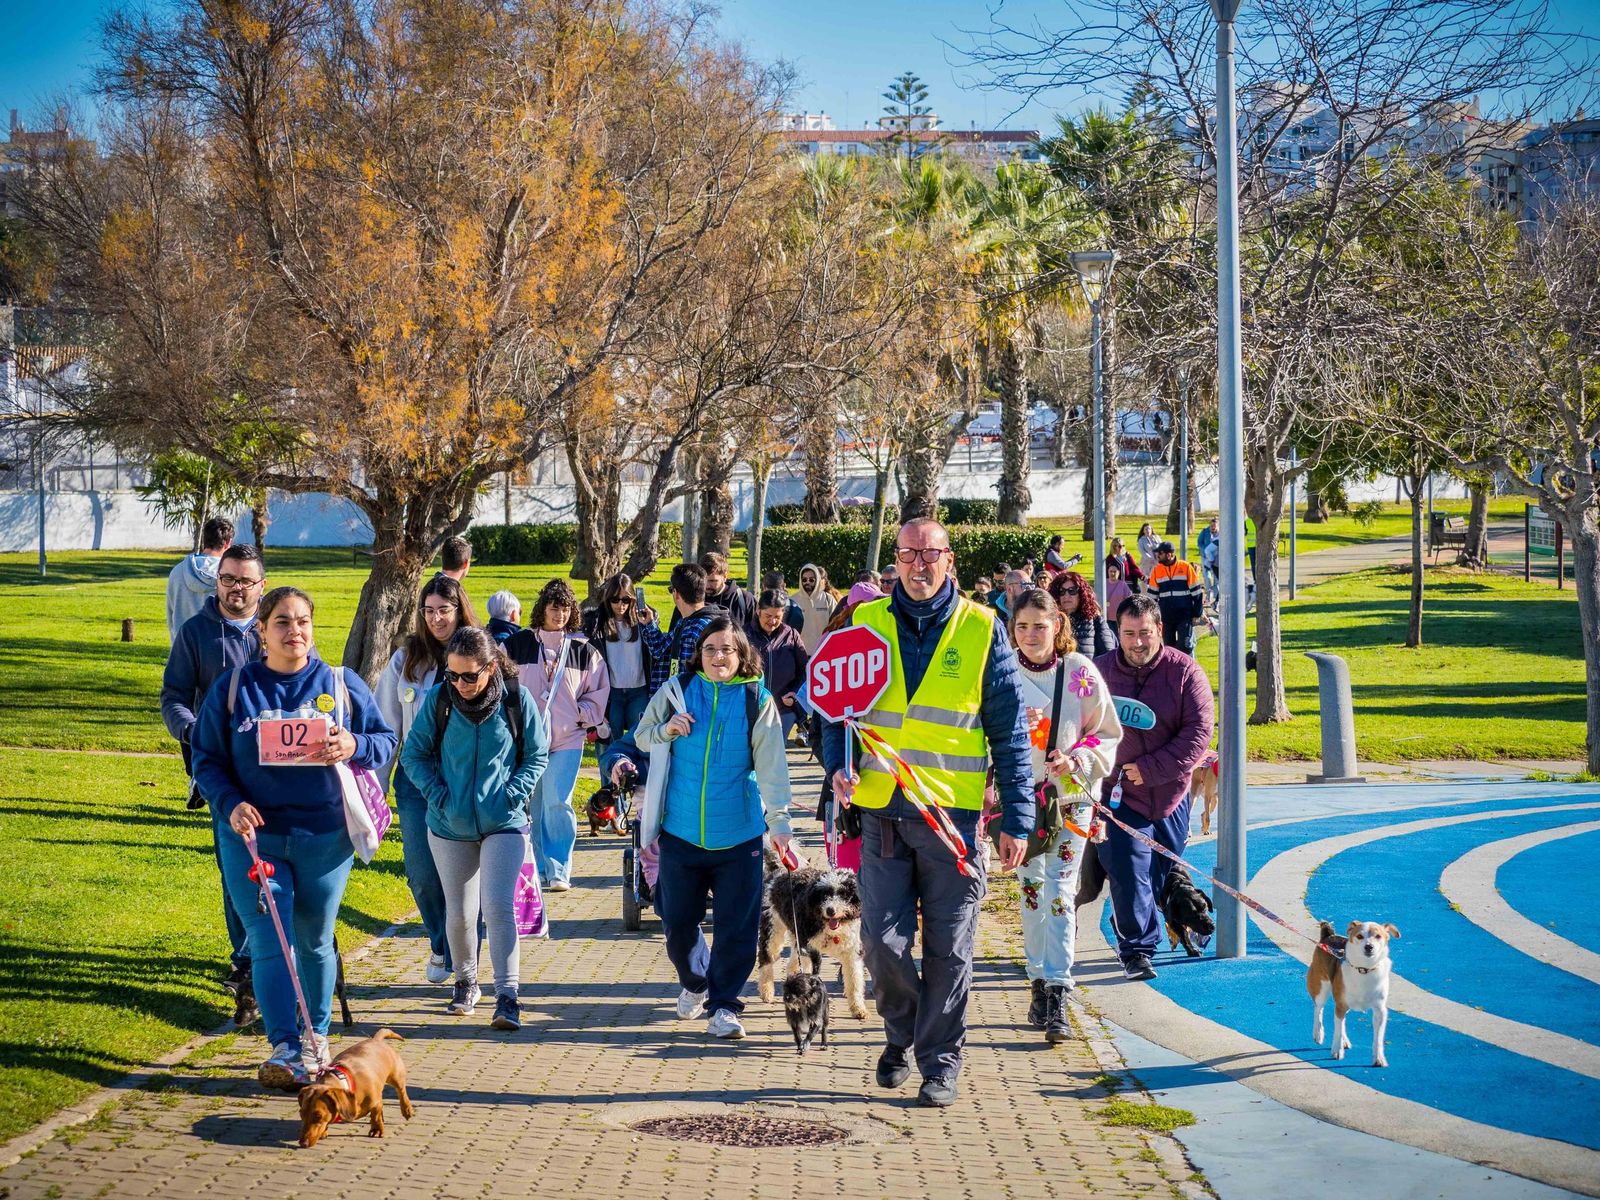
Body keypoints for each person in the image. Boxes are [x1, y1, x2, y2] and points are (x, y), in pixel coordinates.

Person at [824, 518, 1035, 1108]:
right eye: (909, 554)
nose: (920, 565)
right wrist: (834, 763)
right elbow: (830, 710)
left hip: (955, 822)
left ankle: (939, 1063)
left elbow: (1009, 732)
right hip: (882, 816)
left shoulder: (982, 627)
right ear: (896, 560)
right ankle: (905, 1033)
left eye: (931, 554)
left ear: (950, 561)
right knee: (881, 944)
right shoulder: (864, 623)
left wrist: (1018, 817)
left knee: (950, 948)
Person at [192, 586, 397, 1089]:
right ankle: (284, 1047)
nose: (294, 631)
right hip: (255, 838)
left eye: (303, 621)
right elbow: (207, 759)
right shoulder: (235, 687)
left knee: (314, 940)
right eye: (282, 622)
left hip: (325, 838)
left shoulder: (339, 683)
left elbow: (385, 740)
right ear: (261, 630)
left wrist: (351, 743)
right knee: (268, 941)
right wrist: (230, 803)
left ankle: (316, 1037)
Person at [635, 616, 794, 1040]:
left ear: (742, 655)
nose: (718, 656)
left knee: (736, 928)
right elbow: (641, 736)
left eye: (726, 649)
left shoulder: (755, 700)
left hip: (739, 836)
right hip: (681, 832)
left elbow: (773, 767)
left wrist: (779, 822)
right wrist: (667, 730)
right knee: (676, 922)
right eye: (710, 650)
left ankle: (724, 1005)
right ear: (699, 655)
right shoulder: (677, 693)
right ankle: (695, 981)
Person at [401, 627, 548, 1031]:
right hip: (450, 823)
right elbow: (413, 754)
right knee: (461, 913)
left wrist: (513, 794)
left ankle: (508, 996)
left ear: (491, 667)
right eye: (453, 675)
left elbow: (536, 754)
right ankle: (466, 981)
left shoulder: (517, 699)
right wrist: (439, 796)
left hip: (504, 822)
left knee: (498, 906)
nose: (460, 684)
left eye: (469, 676)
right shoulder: (441, 699)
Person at [1007, 589, 1120, 1042]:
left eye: (1040, 625)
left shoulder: (1080, 674)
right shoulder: (1001, 674)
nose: (1031, 635)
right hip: (1019, 805)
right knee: (1031, 891)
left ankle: (1058, 988)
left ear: (1058, 625)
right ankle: (1037, 978)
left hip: (1070, 800)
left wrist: (1076, 759)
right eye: (1022, 626)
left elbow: (1106, 732)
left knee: (1059, 891)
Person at [160, 542, 265, 999]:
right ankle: (244, 958)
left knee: (277, 863)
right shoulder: (196, 632)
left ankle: (279, 951)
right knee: (236, 867)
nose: (236, 588)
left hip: (279, 770)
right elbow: (174, 696)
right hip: (222, 772)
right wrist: (193, 732)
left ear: (261, 585)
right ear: (216, 580)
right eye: (228, 579)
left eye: (245, 580)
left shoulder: (277, 626)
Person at [1092, 594, 1214, 981]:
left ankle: (1172, 920)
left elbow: (1198, 735)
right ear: (1118, 633)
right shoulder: (1097, 674)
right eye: (1129, 634)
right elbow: (1075, 723)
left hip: (1170, 796)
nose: (1137, 642)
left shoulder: (1186, 673)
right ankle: (1137, 950)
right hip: (1117, 795)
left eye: (1145, 633)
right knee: (1128, 870)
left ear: (1160, 630)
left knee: (1162, 872)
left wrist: (1152, 769)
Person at [375, 575, 480, 983]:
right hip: (417, 783)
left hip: (468, 781)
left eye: (445, 609)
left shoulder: (481, 652)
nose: (437, 618)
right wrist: (376, 787)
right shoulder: (406, 659)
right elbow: (386, 726)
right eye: (429, 610)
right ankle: (442, 943)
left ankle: (466, 957)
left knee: (470, 876)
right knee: (422, 874)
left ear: (459, 610)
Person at [505, 580, 609, 891]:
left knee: (558, 801)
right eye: (554, 608)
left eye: (565, 608)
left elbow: (599, 692)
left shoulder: (583, 651)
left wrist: (581, 714)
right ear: (542, 609)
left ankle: (559, 869)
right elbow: (498, 685)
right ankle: (537, 867)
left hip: (568, 738)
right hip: (525, 739)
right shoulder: (515, 646)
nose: (560, 614)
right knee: (531, 805)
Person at [583, 572, 670, 746]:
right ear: (608, 600)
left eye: (626, 600)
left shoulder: (644, 621)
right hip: (609, 693)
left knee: (641, 744)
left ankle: (638, 774)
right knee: (609, 744)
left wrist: (649, 624)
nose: (620, 605)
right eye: (615, 599)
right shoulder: (597, 623)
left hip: (639, 691)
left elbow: (659, 648)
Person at [747, 589, 809, 744]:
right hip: (751, 707)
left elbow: (805, 670)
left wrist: (795, 693)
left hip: (783, 709)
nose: (772, 621)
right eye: (768, 616)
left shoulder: (792, 635)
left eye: (778, 617)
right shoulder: (744, 634)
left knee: (774, 752)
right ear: (758, 611)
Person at [167, 517, 235, 642]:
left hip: (182, 645)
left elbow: (171, 613)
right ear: (228, 542)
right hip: (217, 647)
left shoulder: (177, 571)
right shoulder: (229, 575)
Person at [664, 563, 727, 674]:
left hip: (688, 691)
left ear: (676, 594)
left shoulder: (697, 629)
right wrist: (649, 623)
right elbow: (662, 647)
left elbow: (691, 676)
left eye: (671, 590)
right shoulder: (685, 622)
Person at [1147, 542, 1206, 654]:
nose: (1157, 556)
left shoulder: (1186, 567)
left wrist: (1196, 614)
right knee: (1169, 650)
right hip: (1166, 617)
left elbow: (1197, 593)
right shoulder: (1156, 570)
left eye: (1160, 553)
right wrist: (1152, 618)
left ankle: (1185, 670)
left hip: (1184, 616)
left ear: (1169, 555)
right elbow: (1152, 598)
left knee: (1185, 646)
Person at [1048, 568, 1116, 659]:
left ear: (1081, 594)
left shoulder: (1094, 619)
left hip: (1087, 671)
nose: (1066, 596)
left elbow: (1108, 656)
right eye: (1062, 592)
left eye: (1072, 591)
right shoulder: (1050, 621)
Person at [699, 552, 754, 628]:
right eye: (704, 580)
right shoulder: (691, 599)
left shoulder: (744, 599)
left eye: (713, 581)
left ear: (725, 576)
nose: (707, 586)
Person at [794, 563, 837, 653]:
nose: (807, 582)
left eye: (811, 580)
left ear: (817, 580)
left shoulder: (828, 599)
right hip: (799, 652)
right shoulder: (792, 600)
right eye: (804, 580)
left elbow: (836, 624)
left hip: (824, 651)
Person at [1197, 517, 1221, 606]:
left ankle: (1215, 597)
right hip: (1206, 558)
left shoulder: (1220, 534)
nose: (1212, 528)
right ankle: (1208, 595)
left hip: (1216, 560)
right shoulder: (1205, 532)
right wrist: (1205, 551)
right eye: (1211, 526)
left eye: (1214, 526)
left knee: (1217, 579)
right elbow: (1199, 543)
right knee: (1207, 577)